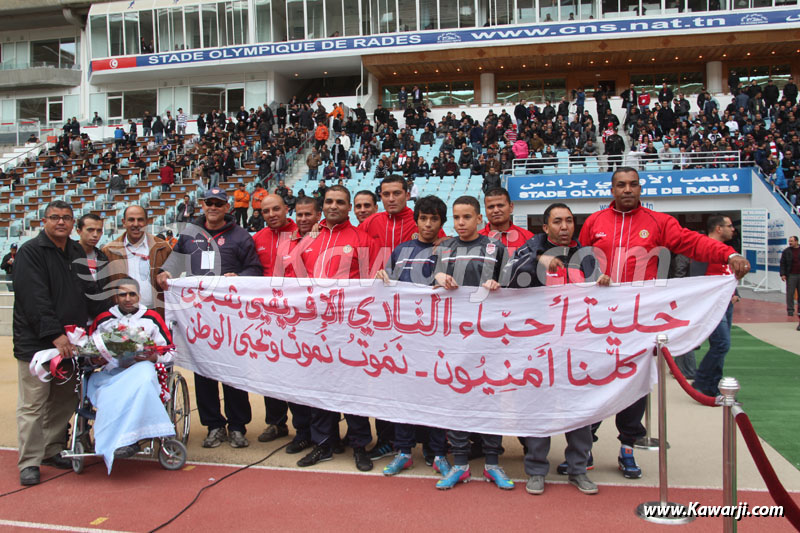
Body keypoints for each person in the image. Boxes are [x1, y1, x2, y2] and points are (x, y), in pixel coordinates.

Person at [578, 167, 750, 479]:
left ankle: (627, 446)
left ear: (640, 188)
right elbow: (581, 261)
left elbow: (693, 243)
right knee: (594, 380)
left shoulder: (659, 222)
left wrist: (729, 254)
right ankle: (584, 446)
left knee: (635, 383)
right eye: (621, 185)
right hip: (599, 319)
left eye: (633, 184)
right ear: (611, 190)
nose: (627, 190)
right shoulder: (594, 223)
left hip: (639, 321)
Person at [505, 203, 600, 496]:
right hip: (539, 348)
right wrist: (539, 259)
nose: (564, 226)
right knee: (538, 410)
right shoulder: (530, 249)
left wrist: (604, 287)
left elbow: (597, 296)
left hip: (577, 349)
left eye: (569, 221)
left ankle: (578, 469)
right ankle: (536, 470)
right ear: (545, 227)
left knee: (580, 412)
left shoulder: (586, 257)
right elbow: (511, 278)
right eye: (557, 221)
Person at [158, 188, 262, 449]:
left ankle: (238, 427)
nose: (214, 207)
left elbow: (255, 269)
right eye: (209, 203)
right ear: (202, 205)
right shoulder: (189, 235)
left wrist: (240, 278)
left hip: (231, 319)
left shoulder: (240, 236)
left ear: (228, 207)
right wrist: (164, 273)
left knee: (233, 373)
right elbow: (173, 265)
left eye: (219, 203)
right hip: (198, 318)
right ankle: (214, 426)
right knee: (204, 372)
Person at [14, 200, 106, 486]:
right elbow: (34, 298)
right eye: (55, 217)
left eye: (66, 218)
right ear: (44, 221)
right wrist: (55, 335)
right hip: (38, 344)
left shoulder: (76, 250)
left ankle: (51, 449)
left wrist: (108, 317)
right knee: (34, 404)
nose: (61, 222)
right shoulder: (30, 252)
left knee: (64, 400)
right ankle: (29, 461)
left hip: (71, 342)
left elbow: (89, 289)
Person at [432, 195, 513, 491]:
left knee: (491, 397)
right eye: (456, 217)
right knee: (457, 398)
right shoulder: (445, 248)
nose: (461, 223)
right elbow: (427, 284)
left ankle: (492, 463)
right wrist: (437, 275)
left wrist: (500, 283)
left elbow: (516, 283)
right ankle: (461, 464)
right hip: (453, 337)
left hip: (489, 336)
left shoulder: (496, 247)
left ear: (480, 219)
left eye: (467, 217)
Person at [296, 186, 377, 472]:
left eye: (340, 202)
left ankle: (359, 445)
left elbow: (373, 286)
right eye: (329, 201)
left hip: (350, 328)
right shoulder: (308, 239)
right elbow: (297, 283)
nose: (333, 206)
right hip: (315, 328)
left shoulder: (361, 238)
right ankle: (324, 443)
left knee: (353, 388)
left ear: (348, 207)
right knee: (319, 387)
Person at [375, 196, 452, 479]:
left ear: (442, 222)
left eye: (434, 219)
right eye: (423, 218)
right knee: (404, 394)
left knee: (436, 396)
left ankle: (438, 453)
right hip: (404, 336)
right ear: (416, 220)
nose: (428, 224)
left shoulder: (450, 249)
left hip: (438, 337)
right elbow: (391, 282)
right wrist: (384, 277)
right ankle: (404, 452)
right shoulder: (402, 249)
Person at [86, 277, 176, 472]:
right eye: (122, 294)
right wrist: (95, 360)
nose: (127, 299)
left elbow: (171, 352)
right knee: (103, 388)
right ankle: (119, 439)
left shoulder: (152, 318)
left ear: (139, 296)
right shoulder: (103, 320)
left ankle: (130, 438)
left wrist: (153, 358)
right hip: (111, 374)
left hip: (142, 369)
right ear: (115, 297)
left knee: (143, 378)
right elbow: (88, 353)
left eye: (132, 294)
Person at [692, 215, 741, 397]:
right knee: (721, 344)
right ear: (718, 229)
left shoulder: (728, 250)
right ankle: (702, 381)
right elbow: (697, 279)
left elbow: (728, 274)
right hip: (712, 305)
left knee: (721, 345)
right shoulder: (703, 248)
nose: (733, 229)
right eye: (729, 226)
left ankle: (712, 384)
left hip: (726, 303)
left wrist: (736, 294)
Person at [102, 206, 172, 317]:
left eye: (140, 220)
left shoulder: (163, 248)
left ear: (147, 222)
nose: (136, 224)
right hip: (122, 315)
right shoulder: (109, 251)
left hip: (155, 313)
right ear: (124, 222)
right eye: (131, 220)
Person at [479, 188, 533, 257]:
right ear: (485, 210)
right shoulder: (476, 239)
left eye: (500, 205)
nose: (496, 210)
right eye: (491, 207)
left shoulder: (528, 237)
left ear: (511, 207)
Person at [76, 214, 109, 284]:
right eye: (90, 230)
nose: (95, 235)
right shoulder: (67, 255)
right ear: (79, 231)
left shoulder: (103, 258)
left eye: (99, 231)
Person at [780, 236, 800, 317]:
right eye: (789, 241)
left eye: (792, 241)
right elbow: (782, 263)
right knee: (790, 293)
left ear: (796, 241)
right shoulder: (786, 251)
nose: (790, 243)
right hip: (791, 275)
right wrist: (783, 274)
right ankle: (790, 310)